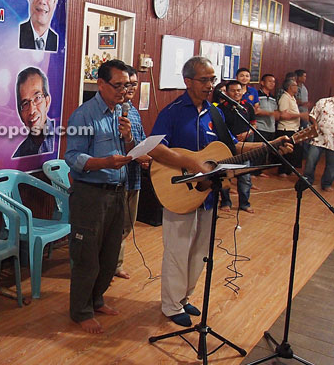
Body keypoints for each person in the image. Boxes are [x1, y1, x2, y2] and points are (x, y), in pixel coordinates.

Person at [147, 57, 292, 327]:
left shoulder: (217, 112)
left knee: (200, 249)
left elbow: (231, 149)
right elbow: (154, 148)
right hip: (179, 190)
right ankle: (170, 304)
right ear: (187, 81)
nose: (210, 85)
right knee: (178, 250)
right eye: (204, 80)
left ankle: (184, 297)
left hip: (208, 193)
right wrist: (192, 163)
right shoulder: (173, 112)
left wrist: (271, 145)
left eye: (212, 79)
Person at [64, 59, 134, 334]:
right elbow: (72, 157)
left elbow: (129, 150)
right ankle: (80, 312)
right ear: (101, 84)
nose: (123, 91)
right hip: (90, 195)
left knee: (109, 255)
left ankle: (96, 300)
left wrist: (129, 139)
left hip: (117, 193)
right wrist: (105, 162)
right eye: (117, 85)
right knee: (87, 258)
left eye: (126, 86)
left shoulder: (121, 113)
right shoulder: (83, 115)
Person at [115, 66, 148, 279]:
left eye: (134, 84)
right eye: (127, 84)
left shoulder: (133, 111)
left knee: (127, 225)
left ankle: (116, 264)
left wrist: (145, 153)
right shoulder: (115, 111)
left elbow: (142, 138)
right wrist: (137, 153)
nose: (131, 88)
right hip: (118, 177)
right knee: (115, 227)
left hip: (135, 176)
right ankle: (110, 265)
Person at [218, 80, 255, 213]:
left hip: (244, 148)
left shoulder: (247, 107)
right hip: (226, 147)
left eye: (239, 90)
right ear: (227, 93)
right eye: (233, 91)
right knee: (225, 176)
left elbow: (254, 125)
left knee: (245, 177)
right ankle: (225, 201)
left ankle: (244, 203)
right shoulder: (220, 109)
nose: (236, 93)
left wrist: (247, 133)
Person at [13, 67, 55, 157]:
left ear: (47, 102)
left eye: (38, 98)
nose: (32, 110)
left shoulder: (64, 139)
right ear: (20, 114)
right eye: (25, 104)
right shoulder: (19, 155)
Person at [277, 78, 309, 176]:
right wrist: (300, 115)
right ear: (290, 87)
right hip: (286, 128)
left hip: (294, 128)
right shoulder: (285, 97)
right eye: (295, 86)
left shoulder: (292, 97)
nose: (297, 88)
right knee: (285, 151)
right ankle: (282, 170)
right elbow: (283, 114)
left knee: (292, 152)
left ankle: (288, 170)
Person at [304, 96, 334, 192]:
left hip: (332, 141)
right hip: (318, 138)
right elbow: (312, 115)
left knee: (331, 165)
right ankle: (307, 181)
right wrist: (315, 124)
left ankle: (326, 184)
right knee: (311, 160)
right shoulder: (323, 102)